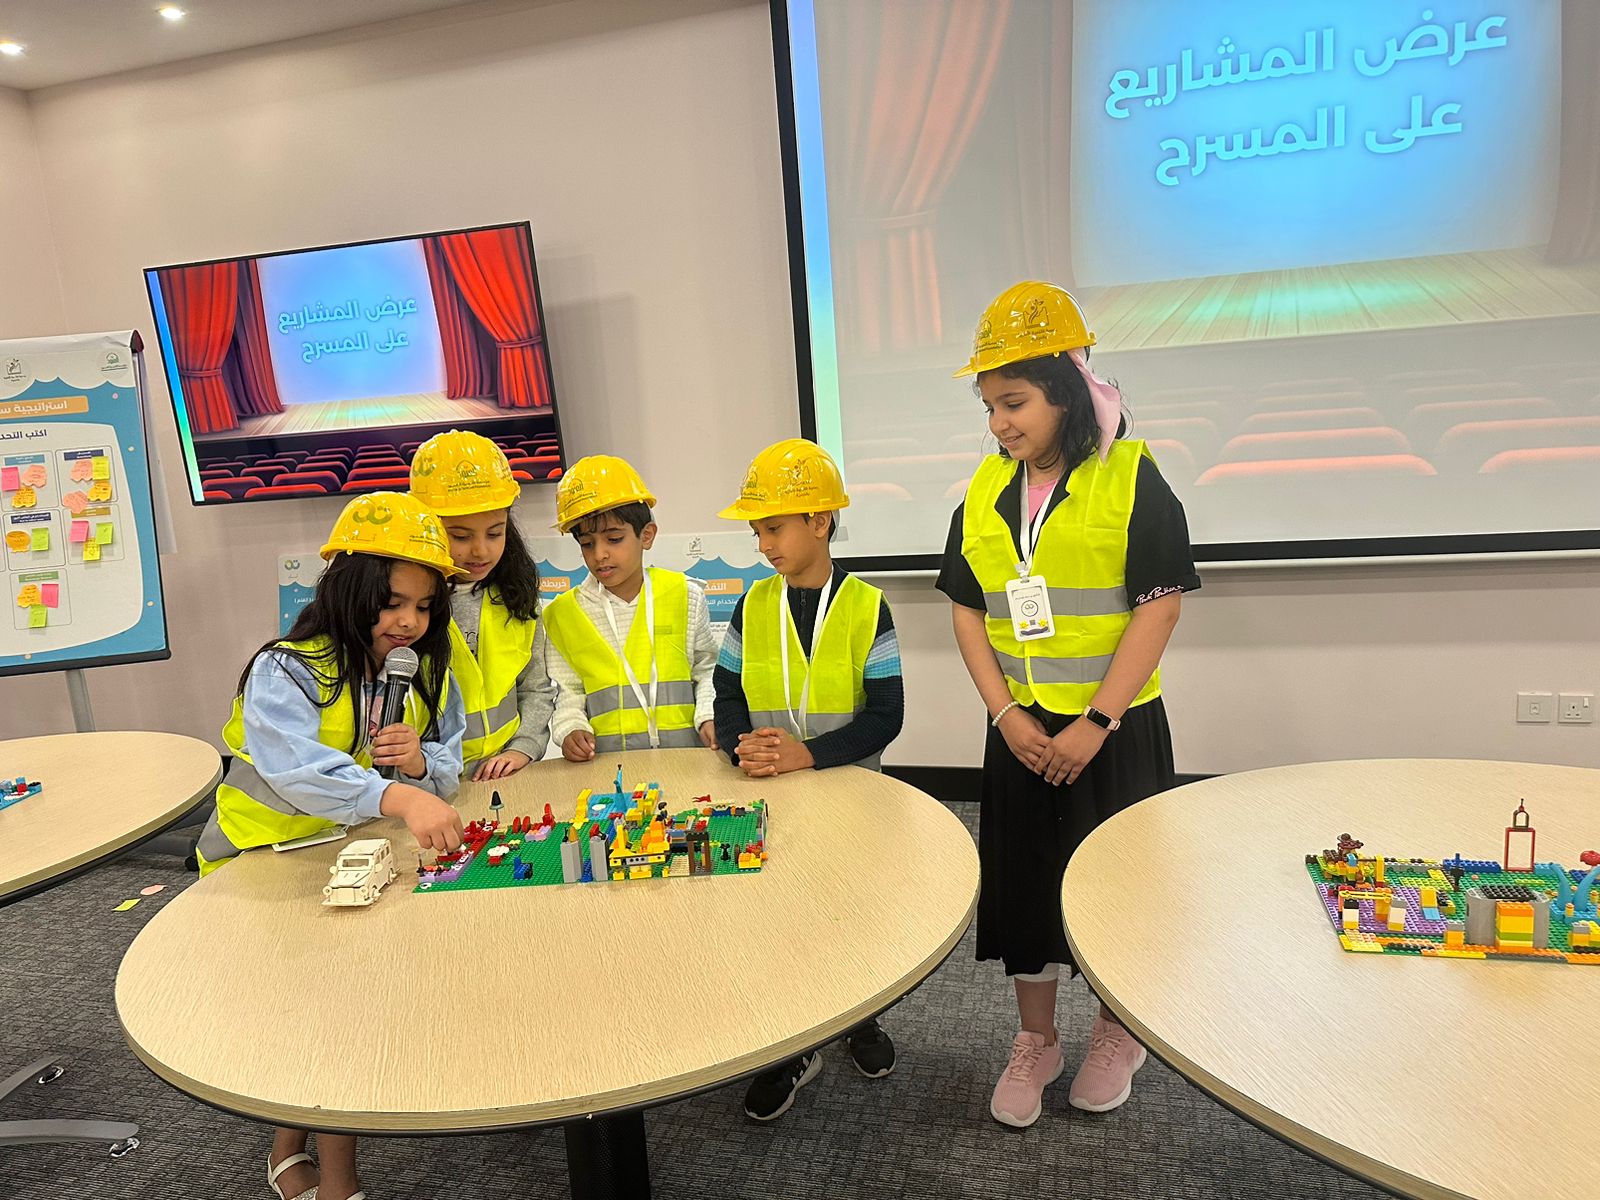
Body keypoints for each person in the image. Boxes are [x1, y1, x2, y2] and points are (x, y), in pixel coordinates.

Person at [936, 281, 1199, 1129]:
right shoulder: (985, 488)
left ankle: (1120, 1029)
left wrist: (1095, 722)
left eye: (1013, 403)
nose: (998, 424)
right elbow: (967, 610)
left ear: (1068, 392)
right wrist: (1004, 715)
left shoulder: (1132, 477)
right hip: (1020, 731)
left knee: (1116, 888)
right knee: (1025, 884)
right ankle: (1037, 1040)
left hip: (1113, 731)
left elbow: (1159, 607)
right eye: (989, 406)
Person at [195, 491, 468, 1200]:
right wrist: (399, 796)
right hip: (259, 866)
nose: (408, 621)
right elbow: (299, 770)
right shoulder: (287, 668)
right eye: (391, 602)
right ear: (349, 590)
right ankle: (319, 1167)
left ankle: (304, 1153)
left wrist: (418, 765)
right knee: (318, 1013)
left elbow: (450, 762)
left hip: (351, 858)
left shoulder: (419, 671)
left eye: (424, 606)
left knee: (340, 1010)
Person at [714, 437, 904, 1120]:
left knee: (851, 916)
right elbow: (727, 692)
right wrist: (743, 746)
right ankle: (792, 1047)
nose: (763, 544)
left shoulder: (868, 606)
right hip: (768, 796)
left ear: (820, 521)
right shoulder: (752, 604)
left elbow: (886, 715)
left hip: (849, 795)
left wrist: (808, 754)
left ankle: (861, 1018)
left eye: (773, 527)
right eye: (756, 531)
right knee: (779, 925)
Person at [541, 455, 718, 757]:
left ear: (646, 536)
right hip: (608, 768)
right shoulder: (562, 614)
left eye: (613, 539)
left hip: (687, 761)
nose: (600, 554)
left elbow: (707, 669)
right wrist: (571, 729)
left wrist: (709, 715)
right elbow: (567, 691)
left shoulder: (684, 595)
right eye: (587, 544)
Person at [409, 429, 554, 780]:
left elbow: (535, 686)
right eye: (460, 536)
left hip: (509, 771)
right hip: (431, 780)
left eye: (495, 533)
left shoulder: (517, 596)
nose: (481, 551)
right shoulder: (406, 608)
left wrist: (523, 747)